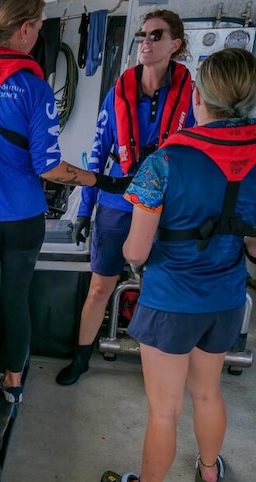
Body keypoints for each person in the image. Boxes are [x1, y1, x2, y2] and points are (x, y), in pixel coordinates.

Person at [0, 0, 129, 414]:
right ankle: (14, 384)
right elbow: (50, 167)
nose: (38, 34)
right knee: (16, 299)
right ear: (23, 30)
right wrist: (102, 180)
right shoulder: (35, 88)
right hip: (23, 220)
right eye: (38, 26)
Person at [101, 47, 256, 482]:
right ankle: (210, 469)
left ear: (199, 96)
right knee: (207, 391)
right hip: (226, 299)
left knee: (164, 410)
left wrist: (134, 257)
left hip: (170, 302)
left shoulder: (165, 161)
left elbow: (135, 251)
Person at [56, 9, 195, 386]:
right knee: (100, 285)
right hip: (116, 205)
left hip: (168, 209)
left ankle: (159, 366)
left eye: (155, 35)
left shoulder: (193, 97)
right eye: (142, 36)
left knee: (161, 289)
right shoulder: (119, 92)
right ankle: (81, 357)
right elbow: (97, 155)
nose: (145, 42)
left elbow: (199, 157)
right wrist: (84, 211)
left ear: (175, 44)